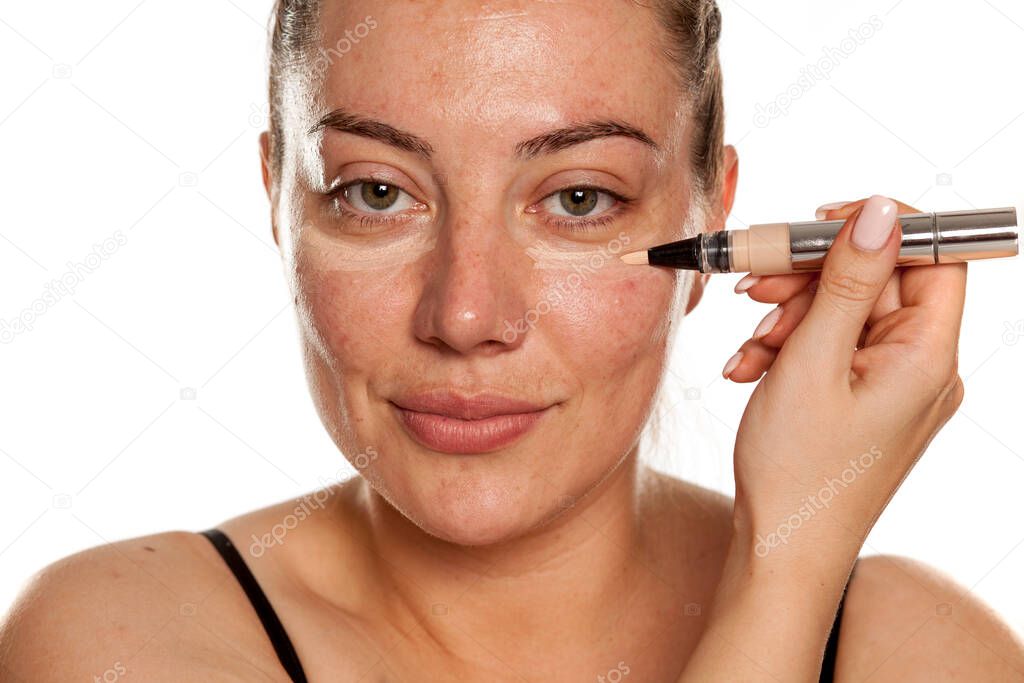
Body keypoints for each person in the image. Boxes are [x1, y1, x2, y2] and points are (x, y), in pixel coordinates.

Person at [2, 1, 1022, 680]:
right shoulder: (127, 639)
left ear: (709, 207)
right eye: (375, 193)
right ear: (279, 200)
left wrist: (790, 558)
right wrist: (784, 578)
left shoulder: (917, 653)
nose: (465, 315)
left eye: (578, 197)